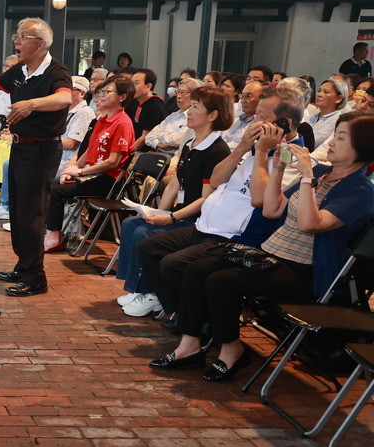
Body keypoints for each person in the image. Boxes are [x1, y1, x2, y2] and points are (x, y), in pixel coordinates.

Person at [154, 111, 374, 381]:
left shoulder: (359, 190)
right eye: (335, 135)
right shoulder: (321, 172)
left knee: (221, 281)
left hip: (307, 271)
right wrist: (279, 166)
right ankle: (189, 346)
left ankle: (231, 351)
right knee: (196, 269)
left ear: (361, 148)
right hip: (273, 254)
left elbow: (309, 224)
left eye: (341, 138)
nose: (332, 142)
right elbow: (272, 209)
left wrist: (305, 178)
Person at [138, 83, 309, 342]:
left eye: (262, 117)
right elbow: (217, 180)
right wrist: (242, 147)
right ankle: (184, 315)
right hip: (207, 224)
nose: (254, 122)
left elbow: (258, 199)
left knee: (174, 265)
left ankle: (195, 324)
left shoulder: (292, 158)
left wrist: (262, 152)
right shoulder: (253, 147)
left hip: (234, 235)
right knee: (148, 247)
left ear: (284, 124)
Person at [0, 17, 73, 296]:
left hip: (43, 149)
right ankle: (24, 266)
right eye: (17, 35)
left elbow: (63, 99)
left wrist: (31, 104)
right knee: (17, 211)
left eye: (23, 36)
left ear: (41, 44)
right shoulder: (21, 70)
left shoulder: (56, 71)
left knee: (33, 214)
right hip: (20, 147)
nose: (17, 41)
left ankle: (36, 277)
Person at [116, 87, 233, 318]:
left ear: (213, 115)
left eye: (196, 107)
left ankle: (153, 294)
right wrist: (156, 212)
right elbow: (175, 184)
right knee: (133, 224)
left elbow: (205, 198)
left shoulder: (217, 151)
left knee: (145, 233)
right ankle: (136, 288)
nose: (189, 111)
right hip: (180, 213)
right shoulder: (191, 143)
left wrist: (169, 218)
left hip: (197, 221)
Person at [43, 75, 135, 253]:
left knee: (55, 190)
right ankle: (51, 232)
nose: (101, 96)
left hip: (106, 180)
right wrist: (74, 167)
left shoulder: (123, 123)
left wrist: (81, 173)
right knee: (50, 184)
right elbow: (89, 150)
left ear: (122, 97)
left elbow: (112, 162)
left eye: (107, 92)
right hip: (90, 174)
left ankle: (54, 237)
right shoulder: (101, 119)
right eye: (101, 92)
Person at [144, 77, 198, 153]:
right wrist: (159, 145)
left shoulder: (194, 117)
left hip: (175, 158)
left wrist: (160, 135)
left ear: (194, 95)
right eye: (177, 92)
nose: (178, 96)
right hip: (158, 152)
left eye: (183, 92)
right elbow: (149, 137)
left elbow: (176, 141)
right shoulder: (173, 116)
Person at [126, 68, 166, 151]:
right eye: (131, 83)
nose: (132, 87)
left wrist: (127, 152)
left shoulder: (155, 106)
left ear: (148, 86)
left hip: (146, 152)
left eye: (136, 83)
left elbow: (145, 137)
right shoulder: (134, 102)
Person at [308, 76, 346, 145]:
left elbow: (312, 142)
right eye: (319, 91)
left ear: (339, 99)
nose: (319, 94)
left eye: (326, 92)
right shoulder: (315, 116)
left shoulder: (336, 119)